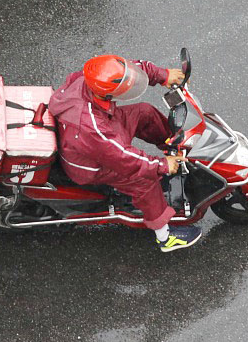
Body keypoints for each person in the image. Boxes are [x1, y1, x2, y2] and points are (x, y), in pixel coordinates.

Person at [48, 54, 203, 252]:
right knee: (143, 179)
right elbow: (123, 157)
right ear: (105, 95)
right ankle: (165, 236)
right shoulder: (91, 125)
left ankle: (173, 148)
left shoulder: (88, 80)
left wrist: (163, 75)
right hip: (91, 163)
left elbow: (129, 71)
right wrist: (161, 166)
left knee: (144, 112)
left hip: (101, 128)